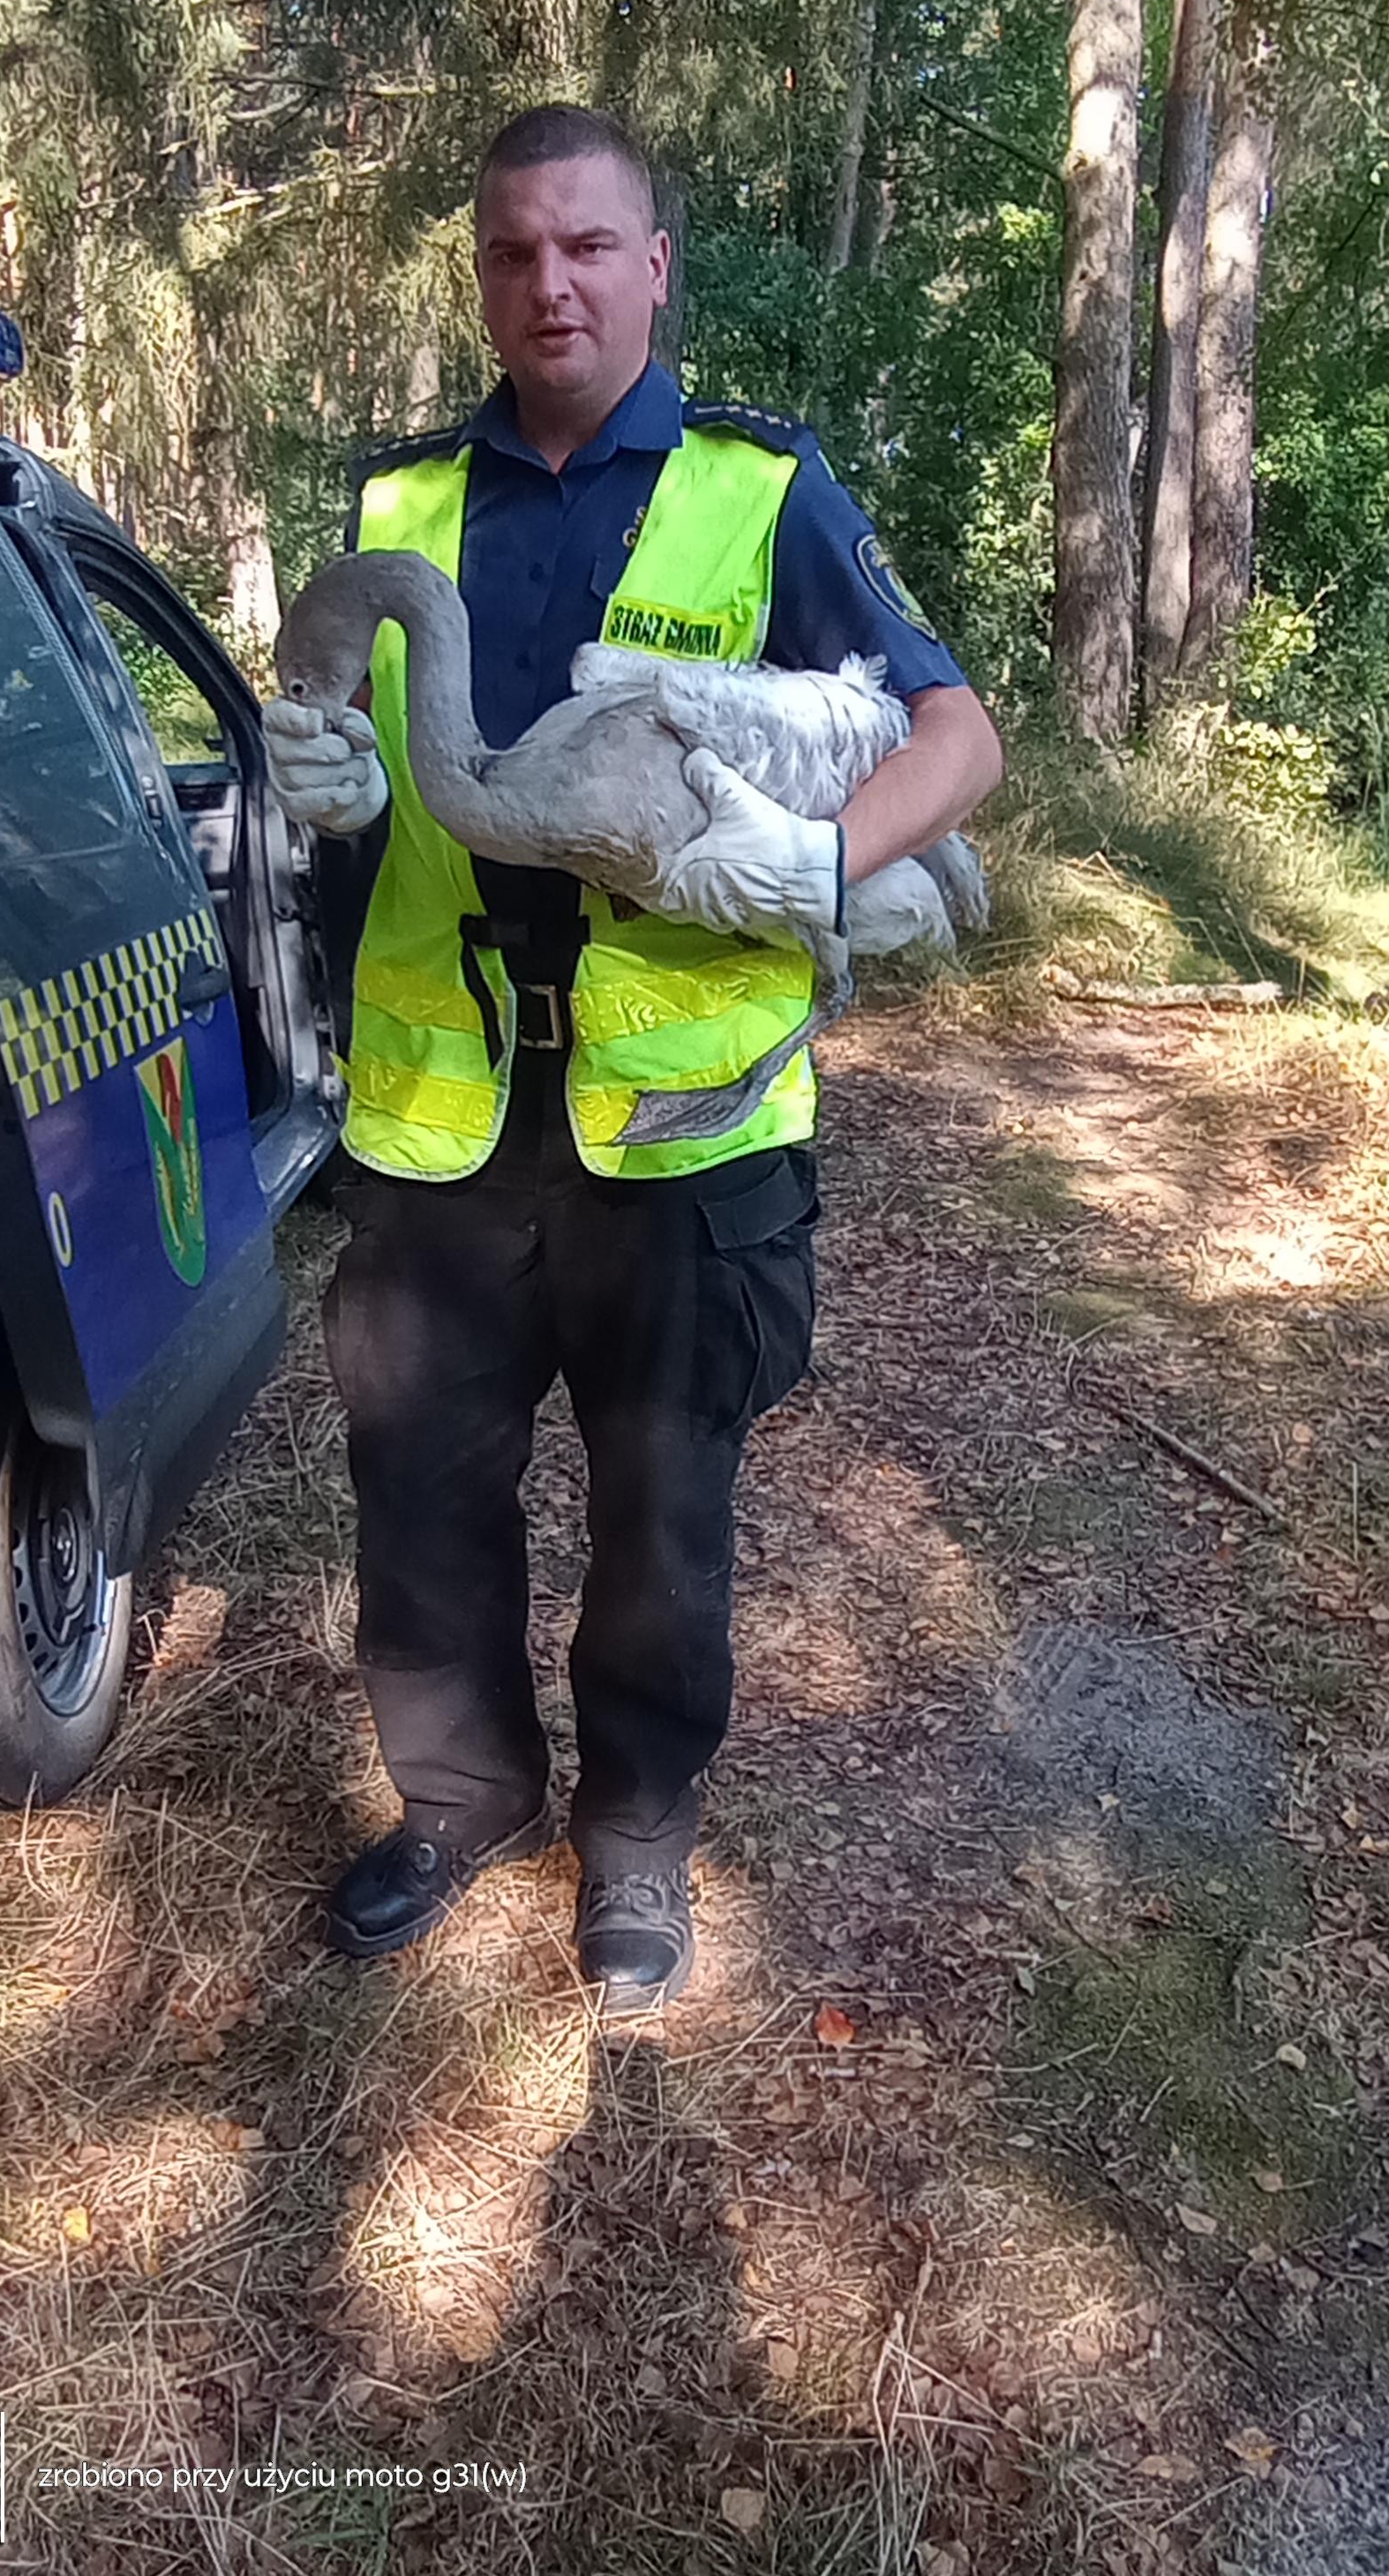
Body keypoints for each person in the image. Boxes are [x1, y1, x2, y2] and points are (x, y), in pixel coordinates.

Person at [263, 105, 1003, 2013]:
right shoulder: (403, 508)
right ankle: (460, 1804)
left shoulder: (764, 490)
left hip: (685, 1132)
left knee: (667, 1513)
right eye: (513, 252)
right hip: (441, 1121)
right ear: (483, 272)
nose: (549, 284)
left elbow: (957, 738)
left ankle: (642, 1834)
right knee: (420, 1502)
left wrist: (815, 862)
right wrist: (323, 779)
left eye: (586, 246)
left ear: (654, 262)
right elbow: (355, 746)